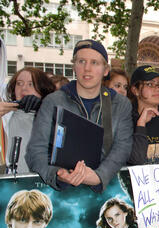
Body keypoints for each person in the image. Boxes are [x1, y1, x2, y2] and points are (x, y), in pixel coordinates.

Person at [25, 39, 133, 192]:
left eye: (94, 62)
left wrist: (99, 176)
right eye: (81, 61)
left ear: (106, 70)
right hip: (62, 193)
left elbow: (122, 147)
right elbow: (36, 150)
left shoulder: (120, 104)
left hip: (105, 190)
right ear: (74, 66)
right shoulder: (53, 101)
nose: (87, 68)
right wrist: (56, 174)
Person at [0, 67, 55, 174]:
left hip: (43, 183)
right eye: (19, 83)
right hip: (13, 183)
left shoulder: (52, 115)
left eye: (31, 84)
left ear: (43, 88)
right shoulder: (6, 115)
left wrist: (42, 107)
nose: (23, 88)